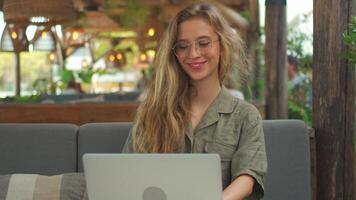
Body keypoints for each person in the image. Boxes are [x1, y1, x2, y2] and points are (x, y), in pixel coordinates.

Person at [123, 3, 267, 200]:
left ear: (222, 46)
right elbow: (127, 172)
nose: (193, 54)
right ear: (175, 53)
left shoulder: (245, 115)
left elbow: (248, 176)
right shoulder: (152, 112)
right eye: (183, 46)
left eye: (204, 43)